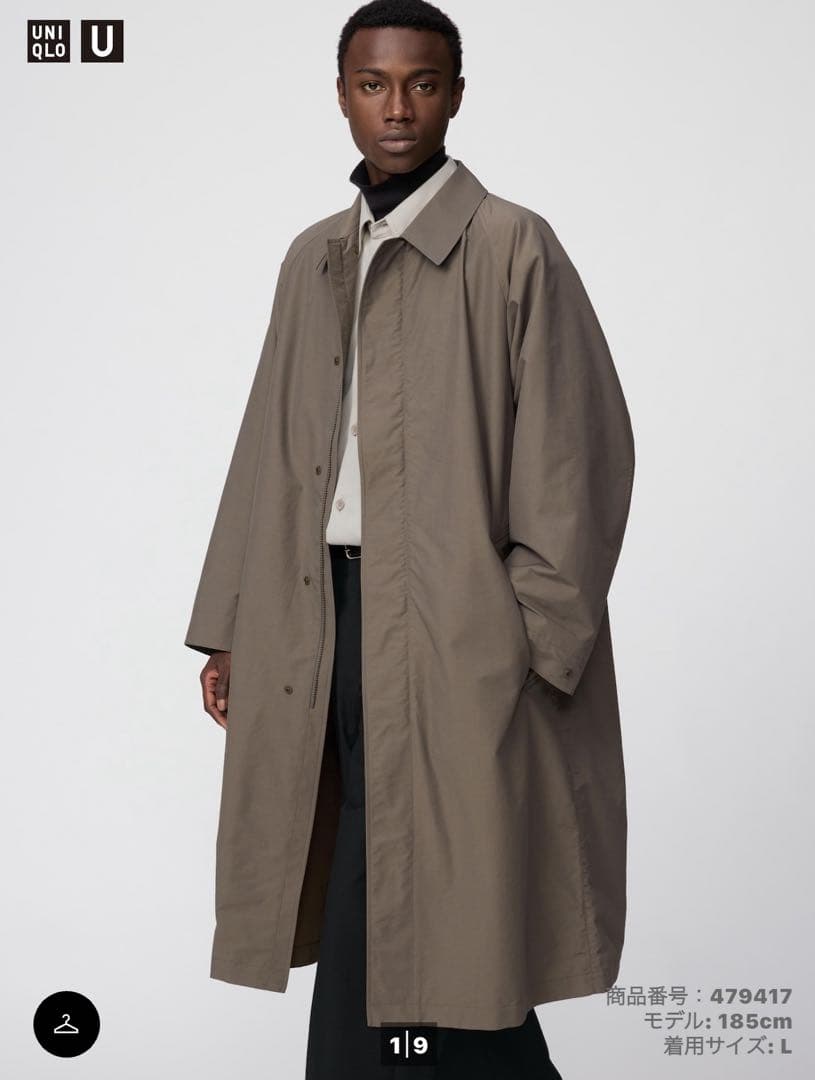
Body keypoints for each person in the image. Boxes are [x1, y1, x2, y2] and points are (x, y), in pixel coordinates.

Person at [185, 2, 635, 1077]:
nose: (397, 108)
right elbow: (265, 449)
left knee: (433, 897)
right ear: (342, 96)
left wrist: (528, 637)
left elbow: (580, 457)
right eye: (373, 84)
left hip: (454, 629)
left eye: (422, 84)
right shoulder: (314, 258)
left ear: (455, 96)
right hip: (316, 620)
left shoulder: (511, 244)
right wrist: (231, 624)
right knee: (382, 888)